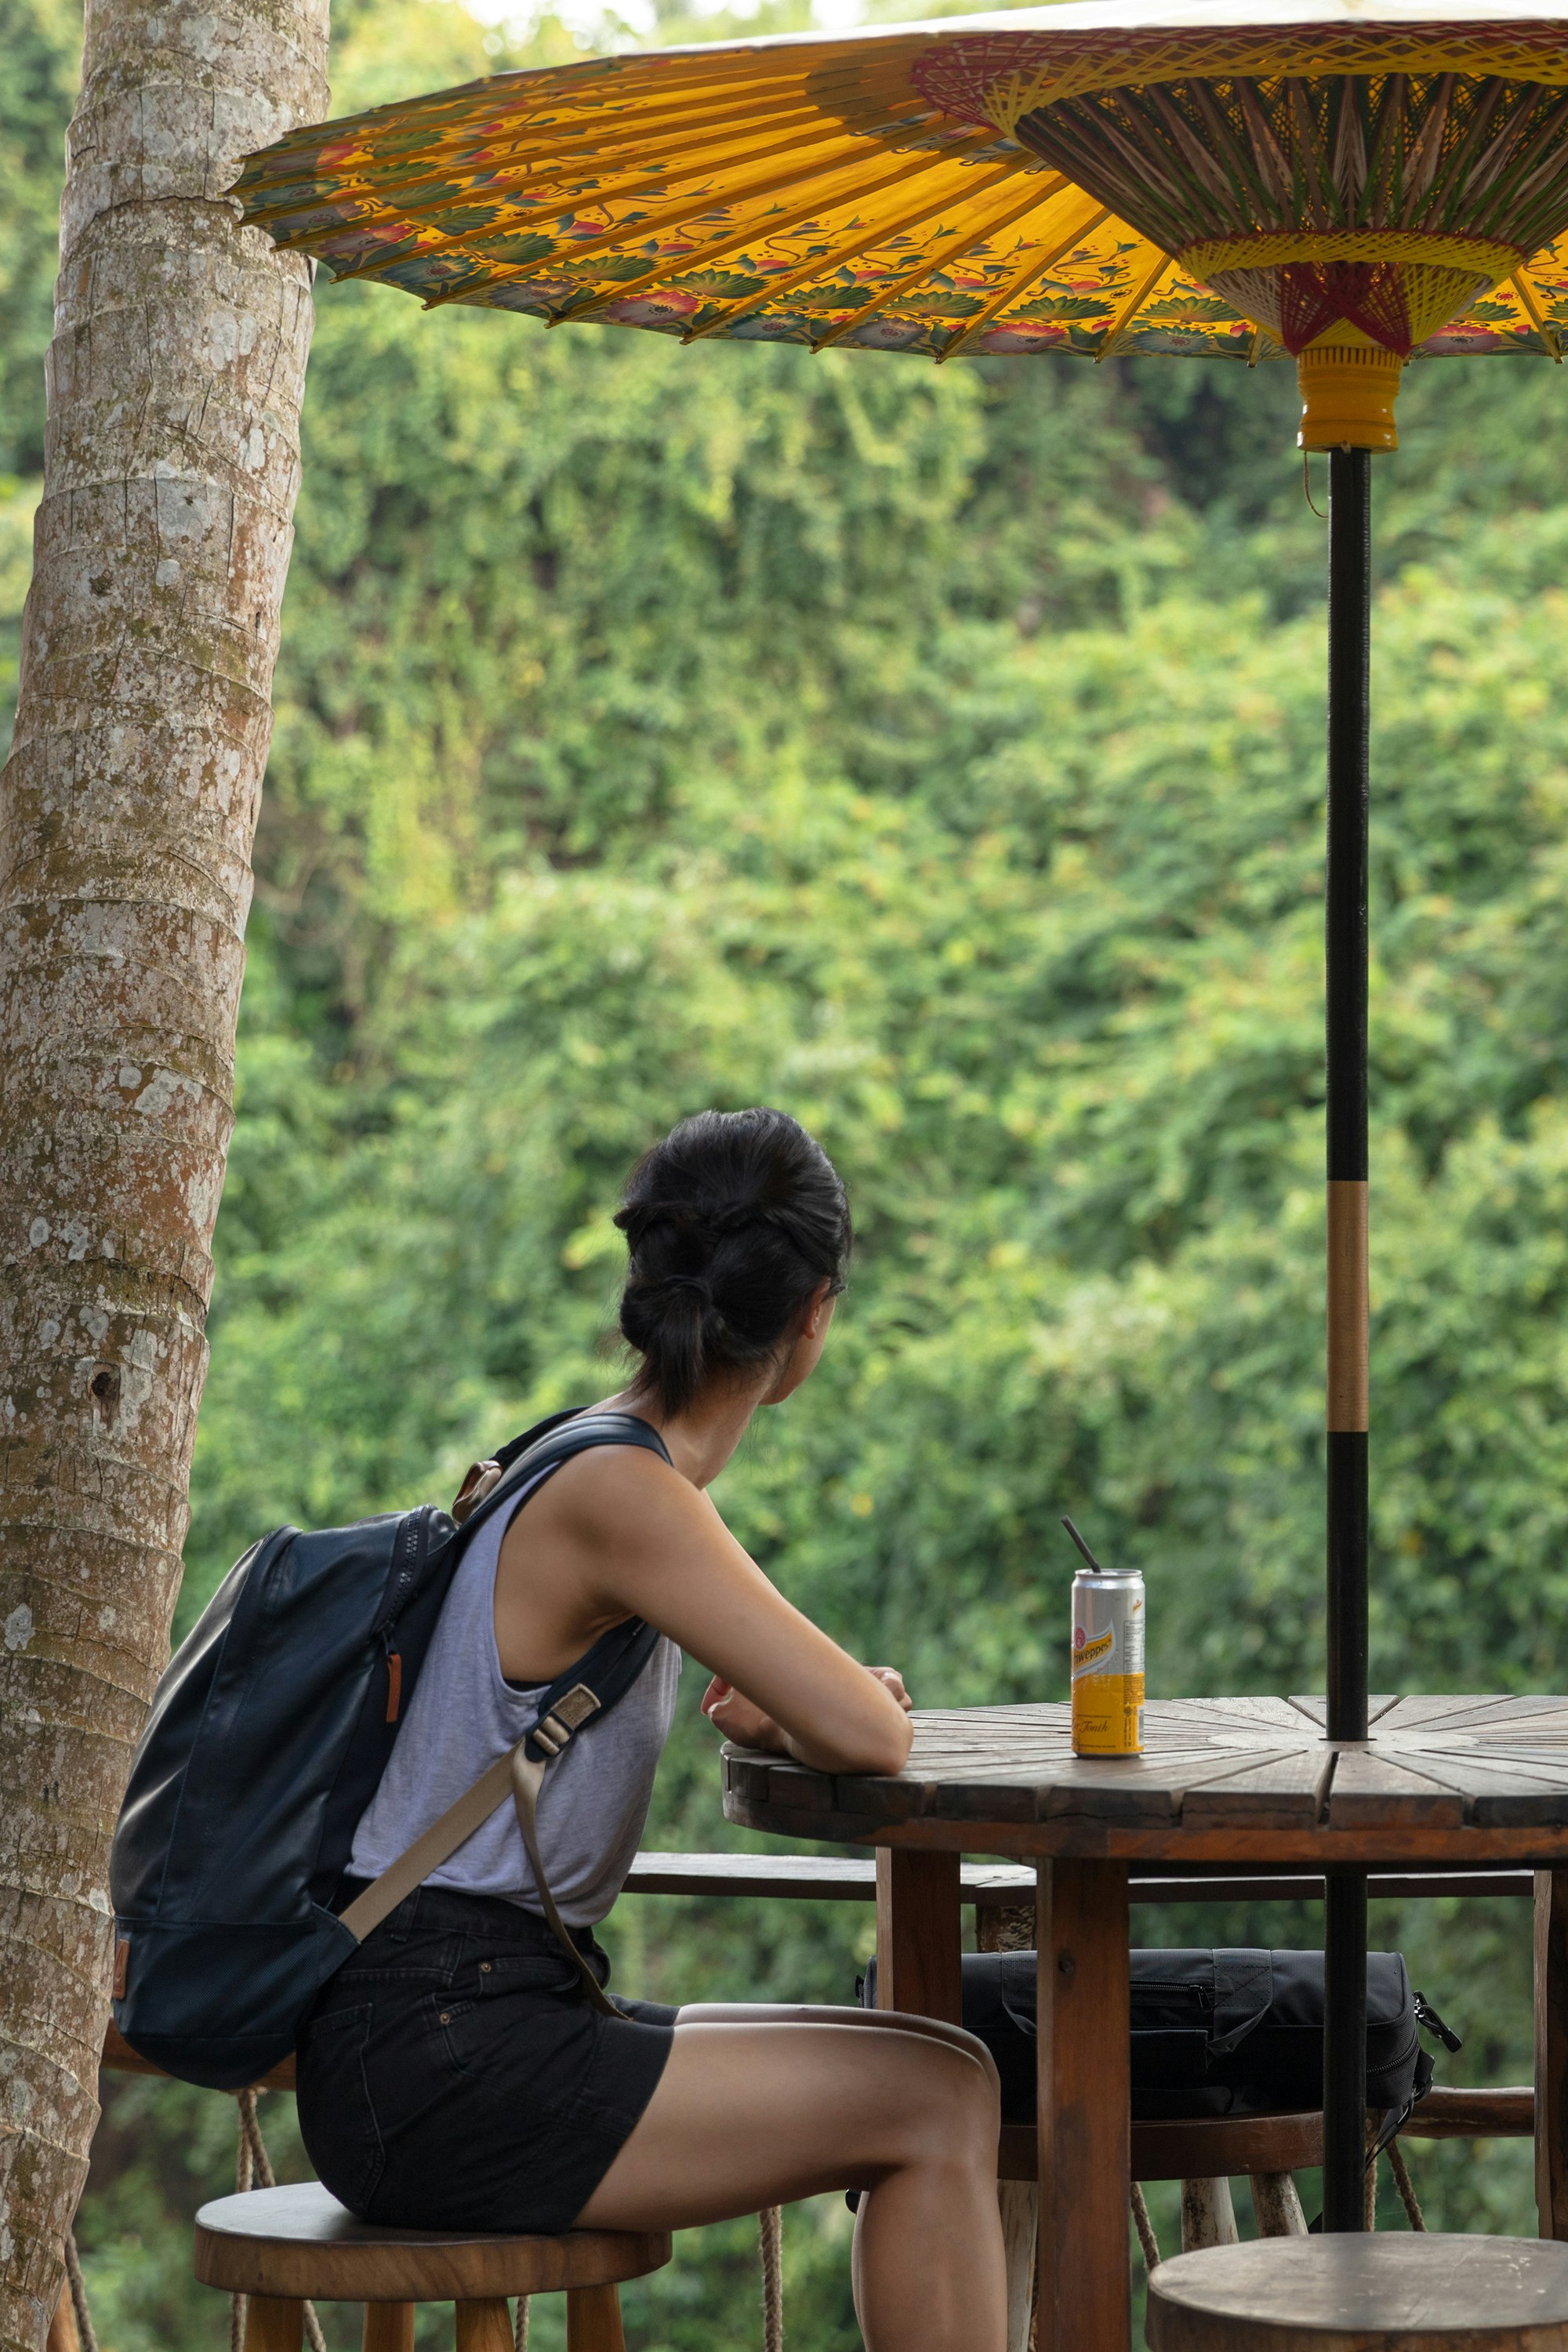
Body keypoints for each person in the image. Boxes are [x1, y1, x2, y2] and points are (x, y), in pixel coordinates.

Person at [296, 1105, 1005, 2352]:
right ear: (815, 1315)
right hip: (440, 2047)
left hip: (452, 2017)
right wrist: (824, 1714)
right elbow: (875, 1734)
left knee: (935, 2058)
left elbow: (787, 1706)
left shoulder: (577, 1455)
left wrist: (786, 1715)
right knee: (938, 2099)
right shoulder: (626, 1489)